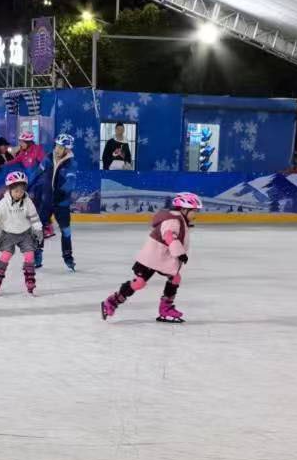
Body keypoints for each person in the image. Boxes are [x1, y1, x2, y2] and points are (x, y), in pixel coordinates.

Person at [101, 192, 199, 323]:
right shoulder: (174, 220)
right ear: (184, 209)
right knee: (139, 283)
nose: (195, 214)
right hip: (151, 258)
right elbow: (169, 236)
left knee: (175, 278)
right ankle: (111, 302)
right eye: (194, 211)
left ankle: (166, 309)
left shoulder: (179, 219)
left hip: (161, 258)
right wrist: (179, 253)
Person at [0, 171, 43, 295]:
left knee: (29, 255)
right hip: (8, 234)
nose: (19, 194)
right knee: (6, 255)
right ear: (9, 189)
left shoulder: (27, 201)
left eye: (22, 191)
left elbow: (34, 217)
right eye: (16, 191)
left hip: (25, 233)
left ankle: (30, 279)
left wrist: (38, 229)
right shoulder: (3, 204)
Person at [50, 133, 77, 270]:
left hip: (61, 203)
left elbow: (70, 183)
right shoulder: (49, 158)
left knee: (66, 231)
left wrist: (59, 194)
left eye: (61, 147)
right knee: (38, 228)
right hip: (47, 200)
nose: (57, 149)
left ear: (67, 149)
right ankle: (36, 255)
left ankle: (68, 257)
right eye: (56, 146)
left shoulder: (71, 164)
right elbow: (38, 174)